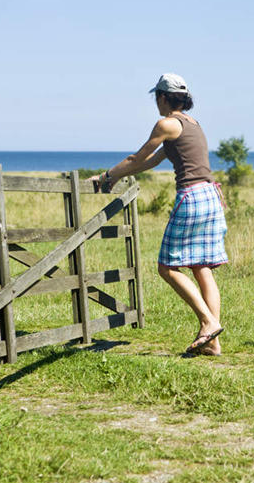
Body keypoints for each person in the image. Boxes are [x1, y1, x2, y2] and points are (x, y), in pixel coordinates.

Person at [89, 73, 227, 356]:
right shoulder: (192, 124)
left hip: (192, 197)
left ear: (163, 97)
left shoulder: (166, 123)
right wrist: (115, 179)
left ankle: (208, 323)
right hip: (211, 196)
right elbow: (150, 163)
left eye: (156, 97)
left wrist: (105, 175)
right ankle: (212, 343)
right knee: (202, 268)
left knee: (167, 267)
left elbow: (136, 158)